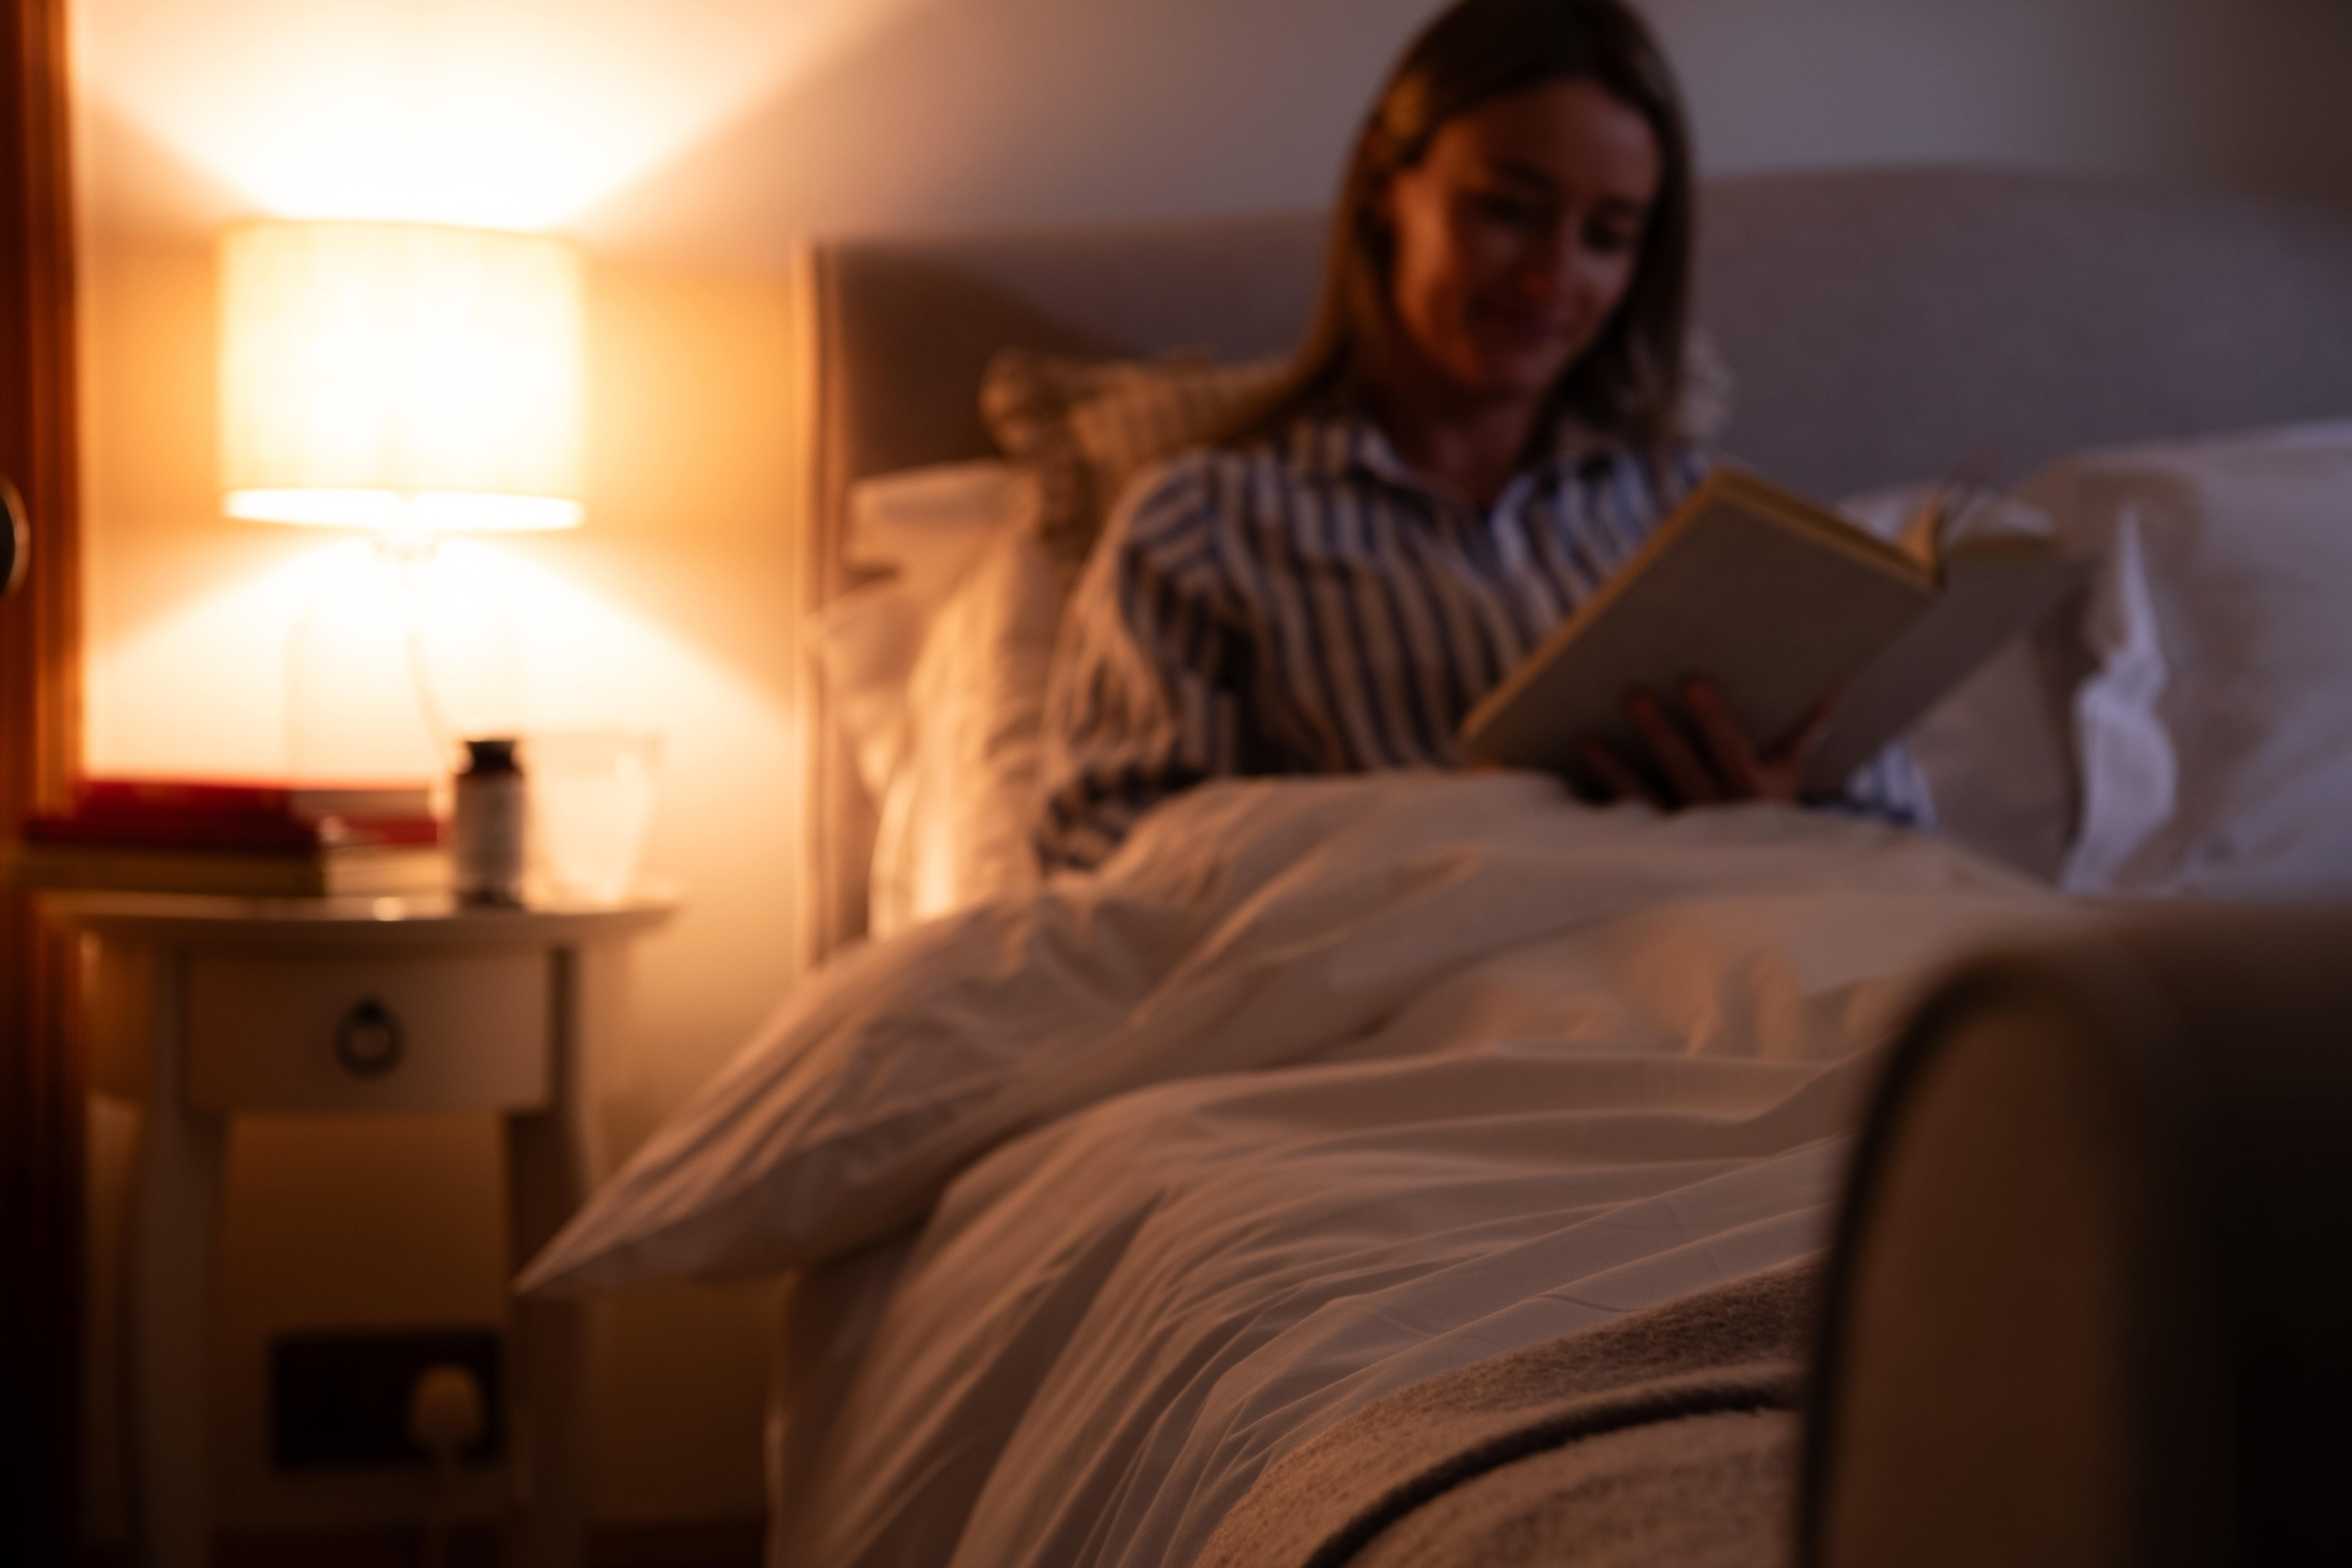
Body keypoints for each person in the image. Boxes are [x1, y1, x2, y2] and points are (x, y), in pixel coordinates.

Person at [1036, 0, 1930, 870]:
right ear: (1388, 187)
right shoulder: (1203, 529)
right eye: (1509, 211)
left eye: (1608, 237)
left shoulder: (1716, 524)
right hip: (1419, 996)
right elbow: (1100, 864)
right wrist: (1454, 827)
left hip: (1749, 965)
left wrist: (1772, 830)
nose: (1551, 281)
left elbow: (1908, 847)